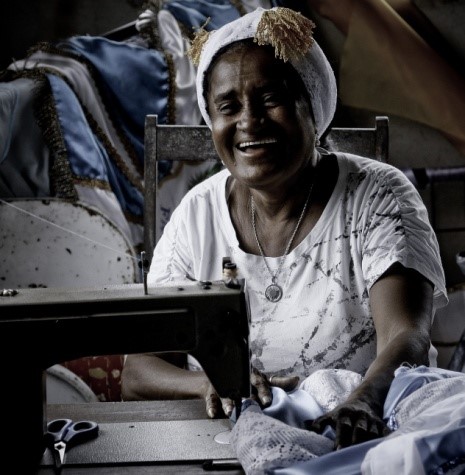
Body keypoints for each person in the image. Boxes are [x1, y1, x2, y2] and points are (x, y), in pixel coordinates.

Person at [121, 7, 447, 449]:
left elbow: (407, 334)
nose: (249, 122)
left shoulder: (378, 195)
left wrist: (363, 401)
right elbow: (139, 370)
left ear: (312, 105)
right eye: (228, 107)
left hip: (365, 433)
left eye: (271, 98)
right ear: (212, 120)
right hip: (230, 444)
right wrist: (209, 384)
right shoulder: (195, 216)